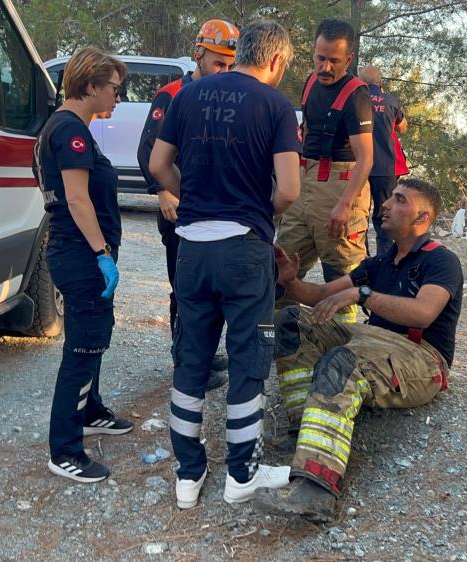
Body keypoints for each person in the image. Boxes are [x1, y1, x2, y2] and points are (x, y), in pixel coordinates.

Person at [149, 20, 301, 510]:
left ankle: (187, 475)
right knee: (247, 359)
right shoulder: (276, 105)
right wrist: (259, 211)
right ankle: (242, 475)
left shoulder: (187, 95)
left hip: (191, 244)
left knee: (190, 359)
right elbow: (290, 190)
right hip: (243, 248)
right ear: (276, 61)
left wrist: (191, 196)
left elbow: (156, 166)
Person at [255, 178, 463, 521]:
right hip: (372, 342)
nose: (385, 204)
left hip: (422, 357)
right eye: (390, 197)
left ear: (422, 218)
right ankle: (304, 426)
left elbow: (425, 314)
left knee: (342, 362)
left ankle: (315, 490)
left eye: (399, 200)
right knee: (289, 320)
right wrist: (290, 280)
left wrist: (363, 295)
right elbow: (322, 296)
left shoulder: (441, 261)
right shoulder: (380, 264)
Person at [33, 48, 134, 483]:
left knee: (93, 337)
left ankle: (90, 410)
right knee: (82, 348)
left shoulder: (70, 128)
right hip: (80, 253)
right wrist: (101, 254)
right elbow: (75, 198)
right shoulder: (70, 131)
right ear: (90, 86)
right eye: (113, 88)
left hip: (80, 251)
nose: (118, 96)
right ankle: (65, 448)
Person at [136, 20, 241, 391]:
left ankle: (206, 352)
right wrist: (161, 190)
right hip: (178, 208)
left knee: (211, 288)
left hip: (212, 210)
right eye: (218, 63)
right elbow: (147, 149)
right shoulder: (172, 94)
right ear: (199, 54)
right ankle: (186, 361)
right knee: (184, 288)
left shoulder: (229, 97)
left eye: (230, 66)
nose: (224, 72)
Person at [275, 18, 374, 324]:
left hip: (339, 186)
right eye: (320, 58)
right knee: (282, 264)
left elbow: (366, 159)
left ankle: (342, 347)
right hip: (304, 182)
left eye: (334, 61)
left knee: (341, 269)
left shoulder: (357, 96)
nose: (325, 67)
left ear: (349, 59)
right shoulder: (310, 82)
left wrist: (345, 205)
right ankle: (282, 341)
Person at [358, 65, 408, 255]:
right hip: (385, 168)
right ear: (380, 83)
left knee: (357, 216)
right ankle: (384, 259)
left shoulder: (353, 100)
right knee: (385, 216)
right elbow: (402, 127)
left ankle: (362, 258)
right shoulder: (391, 101)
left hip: (358, 168)